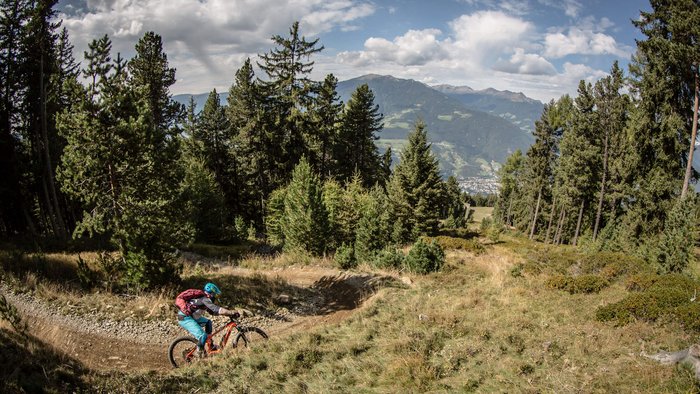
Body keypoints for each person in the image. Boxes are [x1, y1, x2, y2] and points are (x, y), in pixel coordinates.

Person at [175, 282, 240, 354]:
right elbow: (217, 309)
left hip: (192, 317)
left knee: (208, 322)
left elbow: (213, 312)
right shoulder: (205, 299)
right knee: (202, 335)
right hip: (185, 318)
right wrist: (231, 312)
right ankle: (200, 354)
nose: (215, 296)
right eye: (214, 294)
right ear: (211, 294)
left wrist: (227, 314)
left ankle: (211, 345)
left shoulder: (204, 299)